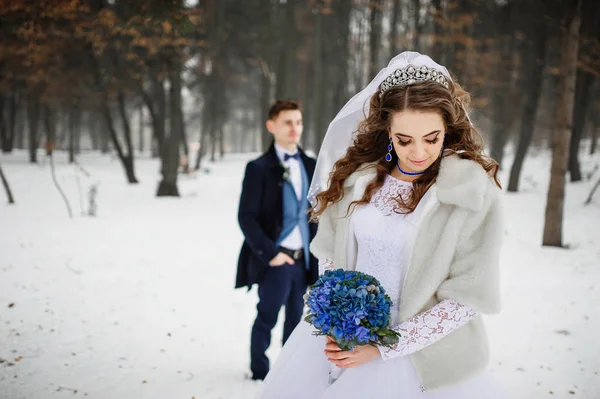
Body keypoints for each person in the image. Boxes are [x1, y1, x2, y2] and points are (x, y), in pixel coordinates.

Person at [256, 52, 506, 398]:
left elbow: (467, 297)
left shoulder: (471, 193)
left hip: (422, 358)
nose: (418, 152)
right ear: (387, 131)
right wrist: (334, 321)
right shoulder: (356, 180)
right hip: (343, 340)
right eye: (404, 140)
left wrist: (384, 347)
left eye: (432, 138)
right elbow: (330, 255)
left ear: (448, 129)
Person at [235, 100, 319, 381]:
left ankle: (287, 372)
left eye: (298, 122)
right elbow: (246, 217)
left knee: (296, 320)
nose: (294, 128)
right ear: (272, 126)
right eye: (287, 122)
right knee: (267, 315)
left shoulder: (310, 165)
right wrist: (270, 253)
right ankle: (260, 369)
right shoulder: (259, 168)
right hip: (275, 257)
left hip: (303, 259)